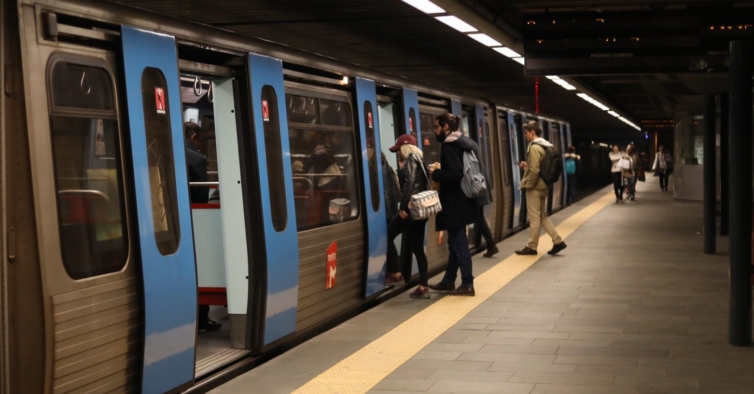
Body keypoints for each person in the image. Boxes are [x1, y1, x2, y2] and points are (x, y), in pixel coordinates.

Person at [427, 113, 479, 296]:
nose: (434, 131)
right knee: (455, 243)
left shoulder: (449, 146)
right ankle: (449, 281)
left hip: (454, 202)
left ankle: (467, 283)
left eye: (436, 127)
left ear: (446, 127)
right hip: (464, 200)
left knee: (459, 243)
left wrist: (436, 173)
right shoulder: (464, 142)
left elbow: (453, 174)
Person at [185, 122, 222, 333]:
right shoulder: (196, 158)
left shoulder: (163, 149)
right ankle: (201, 319)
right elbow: (200, 197)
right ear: (194, 136)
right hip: (193, 221)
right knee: (200, 265)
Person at [384, 135, 431, 298]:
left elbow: (409, 183)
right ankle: (424, 287)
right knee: (418, 248)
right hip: (421, 211)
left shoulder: (411, 159)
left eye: (398, 150)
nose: (397, 154)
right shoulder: (420, 160)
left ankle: (395, 274)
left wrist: (402, 208)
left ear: (404, 148)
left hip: (411, 211)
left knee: (387, 235)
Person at [514, 121, 566, 256]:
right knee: (542, 216)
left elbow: (535, 169)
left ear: (532, 132)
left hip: (536, 187)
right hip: (544, 185)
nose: (525, 136)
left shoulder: (534, 147)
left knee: (534, 217)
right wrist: (528, 166)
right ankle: (558, 241)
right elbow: (539, 166)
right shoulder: (545, 145)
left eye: (526, 133)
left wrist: (529, 185)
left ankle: (532, 247)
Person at [468, 138, 498, 258]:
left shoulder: (465, 145)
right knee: (479, 216)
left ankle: (491, 245)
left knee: (478, 217)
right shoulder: (472, 143)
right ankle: (491, 245)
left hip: (475, 186)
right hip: (480, 184)